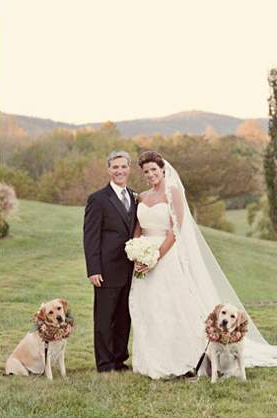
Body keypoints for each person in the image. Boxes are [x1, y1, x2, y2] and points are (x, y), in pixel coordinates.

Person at [129, 150, 277, 379]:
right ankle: (150, 359)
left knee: (170, 306)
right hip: (143, 259)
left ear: (162, 170)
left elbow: (176, 230)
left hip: (166, 258)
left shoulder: (174, 192)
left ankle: (180, 358)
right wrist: (138, 252)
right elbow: (138, 228)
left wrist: (155, 257)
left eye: (153, 170)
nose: (150, 175)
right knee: (147, 307)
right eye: (146, 171)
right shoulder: (142, 196)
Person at [83, 150, 138, 372]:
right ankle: (105, 363)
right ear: (108, 169)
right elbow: (90, 236)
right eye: (115, 167)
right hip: (106, 269)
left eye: (123, 166)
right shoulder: (98, 199)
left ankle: (119, 359)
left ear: (129, 169)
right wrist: (93, 268)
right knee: (104, 319)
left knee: (124, 318)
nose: (119, 171)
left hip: (129, 270)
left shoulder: (135, 196)